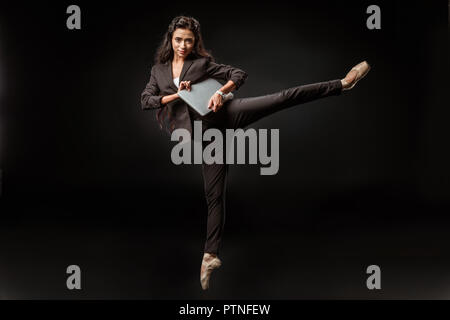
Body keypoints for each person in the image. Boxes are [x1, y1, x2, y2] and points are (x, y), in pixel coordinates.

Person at [141, 15, 371, 290]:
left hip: (226, 113)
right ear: (171, 39)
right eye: (178, 39)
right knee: (214, 194)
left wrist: (221, 92)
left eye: (188, 40)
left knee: (283, 97)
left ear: (194, 42)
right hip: (205, 137)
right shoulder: (159, 71)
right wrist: (178, 95)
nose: (183, 45)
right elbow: (147, 101)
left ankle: (342, 85)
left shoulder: (200, 64)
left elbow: (238, 74)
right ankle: (210, 256)